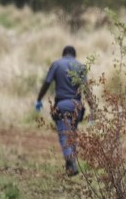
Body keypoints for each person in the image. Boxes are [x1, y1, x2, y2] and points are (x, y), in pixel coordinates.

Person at [36, 45, 93, 176]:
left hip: (62, 106)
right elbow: (86, 90)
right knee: (72, 134)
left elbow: (46, 83)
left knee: (64, 135)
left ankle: (71, 162)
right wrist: (93, 110)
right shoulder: (80, 67)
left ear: (63, 54)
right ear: (74, 55)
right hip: (77, 107)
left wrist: (39, 99)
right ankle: (69, 167)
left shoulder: (56, 64)